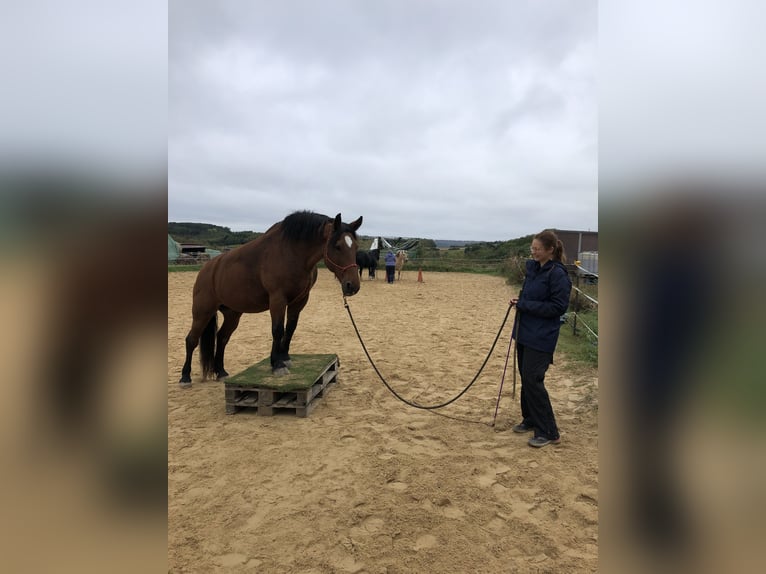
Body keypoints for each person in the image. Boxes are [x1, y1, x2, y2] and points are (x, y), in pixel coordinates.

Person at [509, 230, 572, 448]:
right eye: (532, 249)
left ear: (550, 250)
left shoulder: (557, 274)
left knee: (533, 380)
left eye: (537, 249)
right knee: (526, 378)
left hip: (542, 336)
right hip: (525, 331)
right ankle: (530, 418)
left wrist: (525, 305)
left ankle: (548, 431)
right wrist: (520, 300)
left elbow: (558, 306)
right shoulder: (534, 269)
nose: (533, 252)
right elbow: (532, 297)